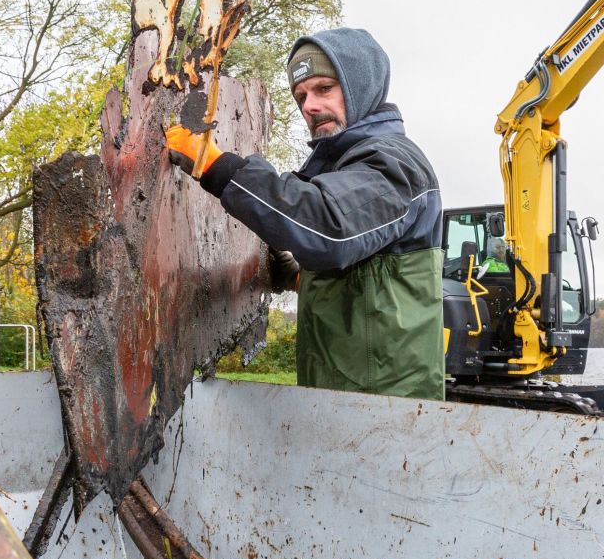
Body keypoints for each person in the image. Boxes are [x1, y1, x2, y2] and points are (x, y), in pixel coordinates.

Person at [165, 28, 444, 400]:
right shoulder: (344, 167)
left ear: (361, 86)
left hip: (386, 410)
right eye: (301, 96)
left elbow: (331, 228)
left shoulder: (393, 162)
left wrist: (216, 166)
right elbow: (370, 273)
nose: (309, 106)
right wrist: (300, 279)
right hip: (344, 399)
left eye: (324, 88)